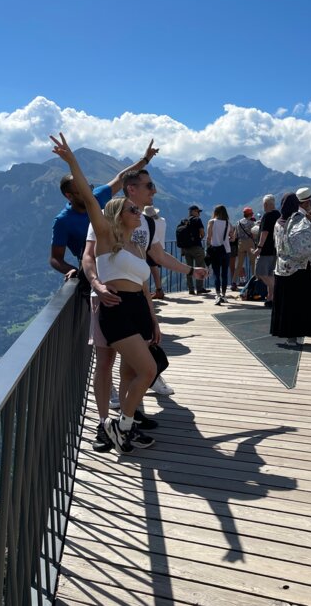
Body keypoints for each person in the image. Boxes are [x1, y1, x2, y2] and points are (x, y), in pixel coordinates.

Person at [51, 133, 205, 454]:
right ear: (120, 212)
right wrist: (72, 161)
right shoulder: (105, 233)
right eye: (133, 209)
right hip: (114, 306)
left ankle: (123, 426)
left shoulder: (136, 241)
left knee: (135, 369)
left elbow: (146, 282)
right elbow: (95, 206)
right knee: (141, 368)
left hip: (137, 307)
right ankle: (114, 425)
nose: (140, 213)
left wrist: (153, 317)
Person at [49, 140, 157, 281]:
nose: (88, 193)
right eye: (82, 191)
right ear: (69, 196)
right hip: (94, 271)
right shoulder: (63, 221)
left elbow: (121, 177)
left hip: (120, 263)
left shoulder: (98, 196)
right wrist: (73, 270)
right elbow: (55, 258)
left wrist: (146, 159)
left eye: (89, 187)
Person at [270, 190, 311, 346]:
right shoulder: (300, 221)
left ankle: (292, 337)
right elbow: (305, 248)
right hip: (301, 269)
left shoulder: (278, 222)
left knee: (289, 306)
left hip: (282, 268)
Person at [254, 194, 279, 308]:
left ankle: (278, 290)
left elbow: (264, 232)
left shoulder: (267, 216)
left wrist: (259, 247)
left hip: (266, 250)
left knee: (260, 272)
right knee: (270, 274)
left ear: (265, 204)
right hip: (276, 249)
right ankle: (271, 298)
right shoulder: (279, 215)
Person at [180, 205, 210, 295]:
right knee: (200, 267)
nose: (199, 213)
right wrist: (199, 239)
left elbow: (181, 236)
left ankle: (191, 289)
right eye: (198, 211)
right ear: (193, 211)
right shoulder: (197, 220)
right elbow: (202, 233)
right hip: (196, 247)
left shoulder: (183, 221)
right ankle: (199, 288)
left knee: (189, 269)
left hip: (186, 249)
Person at [207, 205, 232, 305]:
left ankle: (217, 295)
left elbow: (209, 237)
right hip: (227, 250)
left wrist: (207, 250)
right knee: (225, 274)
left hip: (215, 250)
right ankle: (224, 295)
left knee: (216, 273)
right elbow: (233, 237)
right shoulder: (228, 223)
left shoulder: (212, 222)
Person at [144, 205, 166, 300]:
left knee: (151, 270)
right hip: (161, 247)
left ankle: (157, 290)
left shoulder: (149, 222)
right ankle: (158, 289)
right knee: (155, 270)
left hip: (151, 249)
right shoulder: (163, 220)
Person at [234, 207, 256, 285]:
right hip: (250, 243)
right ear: (250, 214)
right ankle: (254, 281)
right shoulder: (252, 223)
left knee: (239, 264)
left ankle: (234, 282)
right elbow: (254, 234)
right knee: (253, 263)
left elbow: (235, 236)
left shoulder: (238, 222)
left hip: (241, 243)